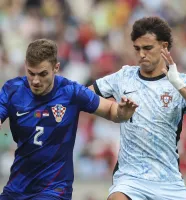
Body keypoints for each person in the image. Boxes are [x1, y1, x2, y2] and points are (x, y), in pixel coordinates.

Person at [0, 39, 138, 200]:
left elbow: (110, 109)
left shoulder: (71, 92)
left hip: (54, 190)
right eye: (31, 73)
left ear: (56, 68)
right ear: (25, 65)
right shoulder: (12, 89)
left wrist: (122, 111)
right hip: (17, 187)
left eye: (43, 73)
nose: (36, 80)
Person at [89, 16, 186, 200]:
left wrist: (177, 83)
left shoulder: (184, 82)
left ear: (164, 47)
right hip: (130, 178)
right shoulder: (124, 76)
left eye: (147, 48)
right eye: (137, 48)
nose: (141, 54)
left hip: (168, 181)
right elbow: (85, 95)